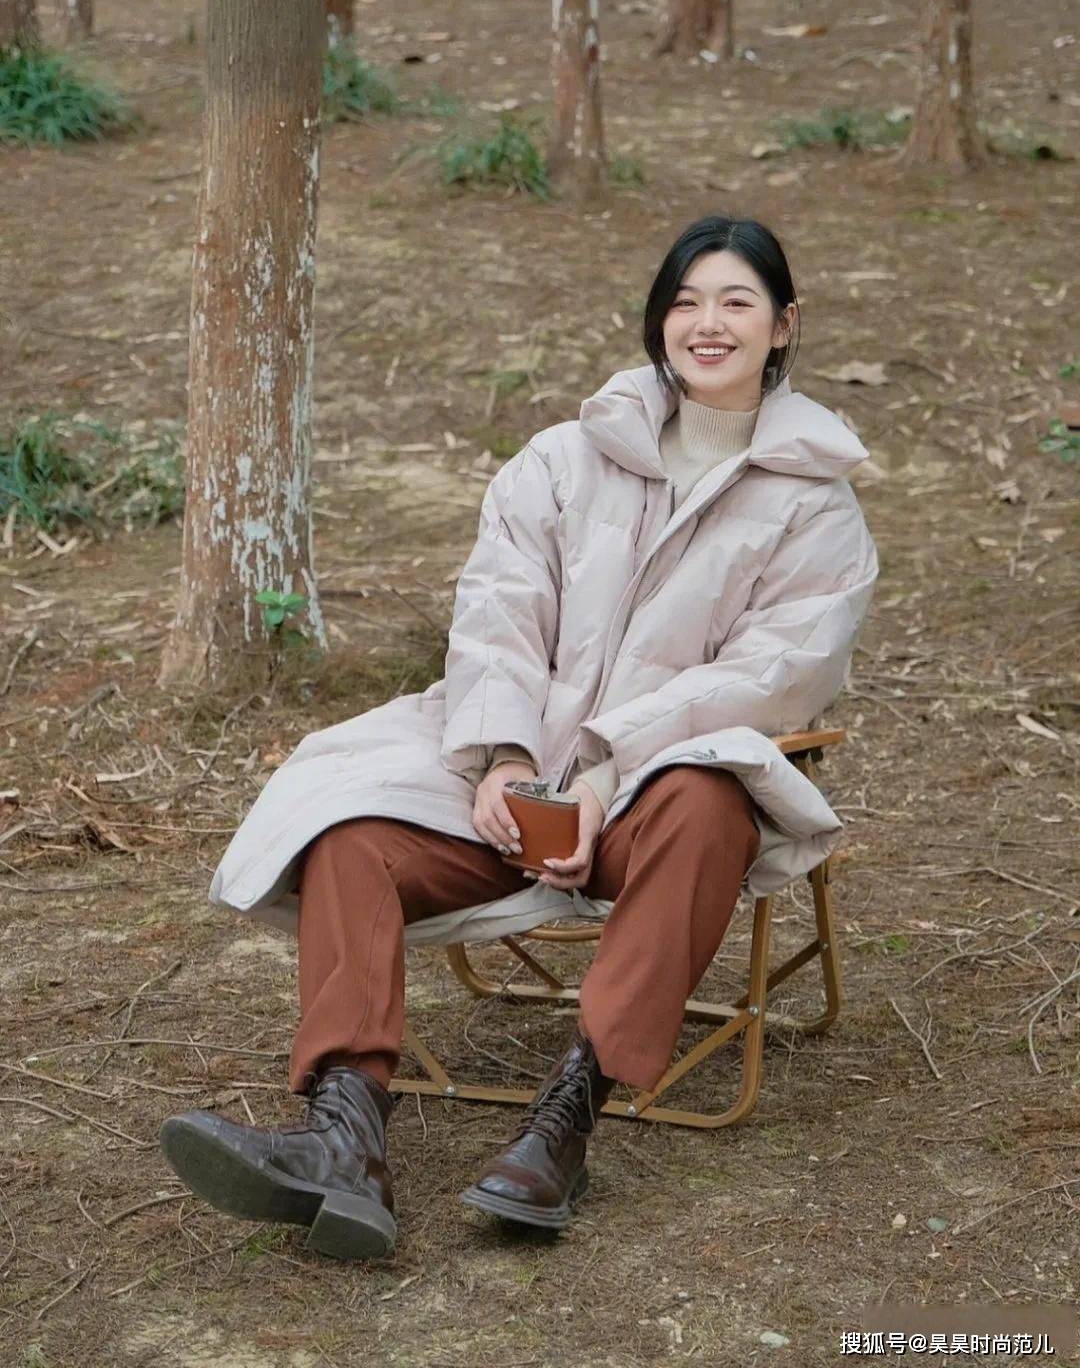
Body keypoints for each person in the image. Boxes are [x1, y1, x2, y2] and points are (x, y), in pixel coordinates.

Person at [159, 214, 878, 1260]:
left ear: (784, 325)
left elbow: (771, 677)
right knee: (353, 827)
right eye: (685, 302)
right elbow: (497, 611)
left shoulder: (819, 509)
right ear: (658, 321)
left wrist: (603, 775)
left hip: (649, 806)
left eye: (737, 302)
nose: (708, 324)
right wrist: (505, 760)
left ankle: (564, 1124)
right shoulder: (564, 461)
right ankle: (344, 1136)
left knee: (708, 799)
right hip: (511, 792)